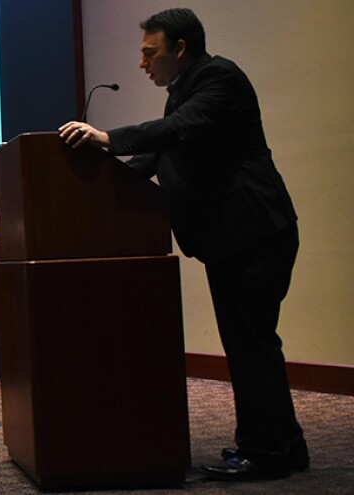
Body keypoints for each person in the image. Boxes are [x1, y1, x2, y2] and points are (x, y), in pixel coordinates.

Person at [58, 8, 307, 481]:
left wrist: (108, 138)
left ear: (180, 49)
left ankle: (268, 452)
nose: (141, 64)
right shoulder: (182, 95)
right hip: (234, 238)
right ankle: (283, 446)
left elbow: (177, 131)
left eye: (150, 53)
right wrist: (87, 194)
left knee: (251, 345)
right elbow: (155, 157)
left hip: (255, 232)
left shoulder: (219, 78)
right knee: (251, 344)